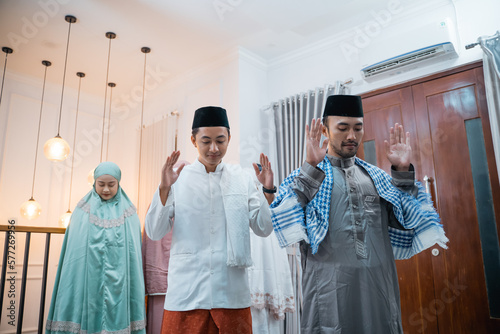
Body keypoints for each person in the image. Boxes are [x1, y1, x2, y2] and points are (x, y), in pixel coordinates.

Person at [270, 95, 448, 333]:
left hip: (378, 289)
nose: (352, 136)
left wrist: (403, 172)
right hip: (328, 290)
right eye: (342, 128)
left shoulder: (377, 177)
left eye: (358, 128)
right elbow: (284, 220)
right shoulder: (306, 176)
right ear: (325, 129)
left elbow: (409, 222)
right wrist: (310, 168)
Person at [145, 106, 275, 334]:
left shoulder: (242, 177)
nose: (214, 148)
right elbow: (155, 232)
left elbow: (263, 228)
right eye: (206, 141)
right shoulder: (178, 178)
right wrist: (165, 187)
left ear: (229, 139)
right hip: (187, 293)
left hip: (231, 293)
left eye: (220, 141)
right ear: (193, 140)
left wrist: (268, 190)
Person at [46, 161, 146, 334]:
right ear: (94, 183)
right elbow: (75, 248)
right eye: (101, 184)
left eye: (111, 184)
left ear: (118, 183)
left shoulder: (129, 213)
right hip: (86, 276)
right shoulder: (82, 211)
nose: (106, 189)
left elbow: (133, 251)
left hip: (120, 278)